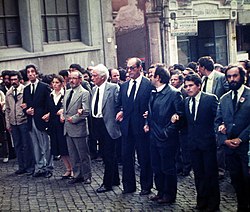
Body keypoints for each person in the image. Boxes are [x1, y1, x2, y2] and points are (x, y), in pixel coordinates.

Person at [144, 65, 184, 204]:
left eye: (152, 74)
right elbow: (152, 112)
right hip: (154, 137)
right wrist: (147, 122)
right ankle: (160, 191)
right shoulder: (153, 92)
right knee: (156, 166)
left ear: (158, 77)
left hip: (166, 138)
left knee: (168, 167)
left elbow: (180, 116)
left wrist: (167, 132)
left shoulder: (173, 93)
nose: (149, 76)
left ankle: (169, 194)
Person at [116, 57, 153, 195]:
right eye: (128, 68)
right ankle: (128, 186)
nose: (129, 71)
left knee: (144, 157)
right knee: (126, 157)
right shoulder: (124, 86)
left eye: (132, 68)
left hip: (142, 127)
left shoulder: (148, 85)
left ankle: (146, 186)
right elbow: (119, 104)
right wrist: (120, 111)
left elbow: (152, 104)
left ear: (140, 68)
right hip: (126, 127)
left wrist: (148, 117)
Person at [215, 65, 250, 211]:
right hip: (230, 148)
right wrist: (224, 140)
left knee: (248, 179)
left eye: (235, 76)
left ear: (242, 77)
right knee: (236, 179)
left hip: (246, 147)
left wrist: (241, 139)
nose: (232, 79)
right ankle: (241, 206)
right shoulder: (224, 99)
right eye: (229, 77)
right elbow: (217, 122)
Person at [183, 74, 220, 211]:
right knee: (198, 175)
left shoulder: (210, 99)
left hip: (208, 143)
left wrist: (216, 135)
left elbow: (217, 118)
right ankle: (202, 201)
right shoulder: (186, 101)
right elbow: (187, 122)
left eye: (191, 85)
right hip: (193, 144)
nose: (188, 88)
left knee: (210, 174)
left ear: (199, 85)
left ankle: (213, 203)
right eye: (186, 86)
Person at [90, 64, 121, 193]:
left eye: (95, 75)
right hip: (97, 123)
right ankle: (115, 179)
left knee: (108, 155)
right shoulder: (94, 89)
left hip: (109, 124)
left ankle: (107, 183)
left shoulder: (113, 88)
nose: (92, 78)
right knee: (106, 154)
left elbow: (118, 105)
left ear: (103, 77)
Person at [198, 56, 229, 180]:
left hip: (219, 114)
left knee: (219, 143)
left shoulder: (220, 78)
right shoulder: (203, 79)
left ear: (203, 67)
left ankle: (221, 169)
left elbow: (227, 94)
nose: (198, 69)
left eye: (199, 66)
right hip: (207, 116)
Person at [23, 64, 53, 178]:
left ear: (36, 73)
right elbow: (26, 104)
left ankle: (48, 167)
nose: (30, 74)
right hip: (31, 121)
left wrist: (45, 114)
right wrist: (27, 110)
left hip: (41, 120)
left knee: (46, 145)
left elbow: (48, 104)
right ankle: (40, 167)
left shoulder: (44, 86)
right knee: (36, 146)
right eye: (28, 72)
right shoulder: (26, 89)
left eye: (32, 72)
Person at [62, 70, 91, 184]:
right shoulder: (67, 92)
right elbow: (65, 108)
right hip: (68, 128)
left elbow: (86, 111)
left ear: (80, 79)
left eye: (74, 78)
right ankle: (77, 175)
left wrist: (73, 118)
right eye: (70, 78)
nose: (71, 80)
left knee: (83, 154)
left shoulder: (84, 93)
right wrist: (63, 115)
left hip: (79, 128)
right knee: (73, 154)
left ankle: (87, 175)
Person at [42, 75, 73, 179]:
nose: (55, 85)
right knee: (58, 148)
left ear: (62, 83)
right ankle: (68, 169)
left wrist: (63, 112)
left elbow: (70, 108)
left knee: (66, 147)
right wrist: (48, 115)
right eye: (53, 83)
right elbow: (49, 109)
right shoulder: (50, 95)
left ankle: (74, 169)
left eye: (57, 83)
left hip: (63, 124)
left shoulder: (66, 95)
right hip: (53, 124)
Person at [5, 71, 34, 175]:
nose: (13, 81)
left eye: (15, 79)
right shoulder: (8, 93)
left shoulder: (25, 90)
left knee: (27, 145)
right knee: (17, 145)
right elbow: (7, 110)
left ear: (19, 80)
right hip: (13, 122)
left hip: (23, 121)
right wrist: (8, 124)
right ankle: (21, 166)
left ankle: (29, 166)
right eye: (11, 80)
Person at [170, 70, 191, 177]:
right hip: (175, 125)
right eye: (172, 79)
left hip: (184, 124)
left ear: (181, 81)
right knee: (176, 147)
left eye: (175, 79)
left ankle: (186, 167)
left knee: (185, 147)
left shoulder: (185, 92)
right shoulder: (170, 92)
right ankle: (178, 166)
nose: (173, 81)